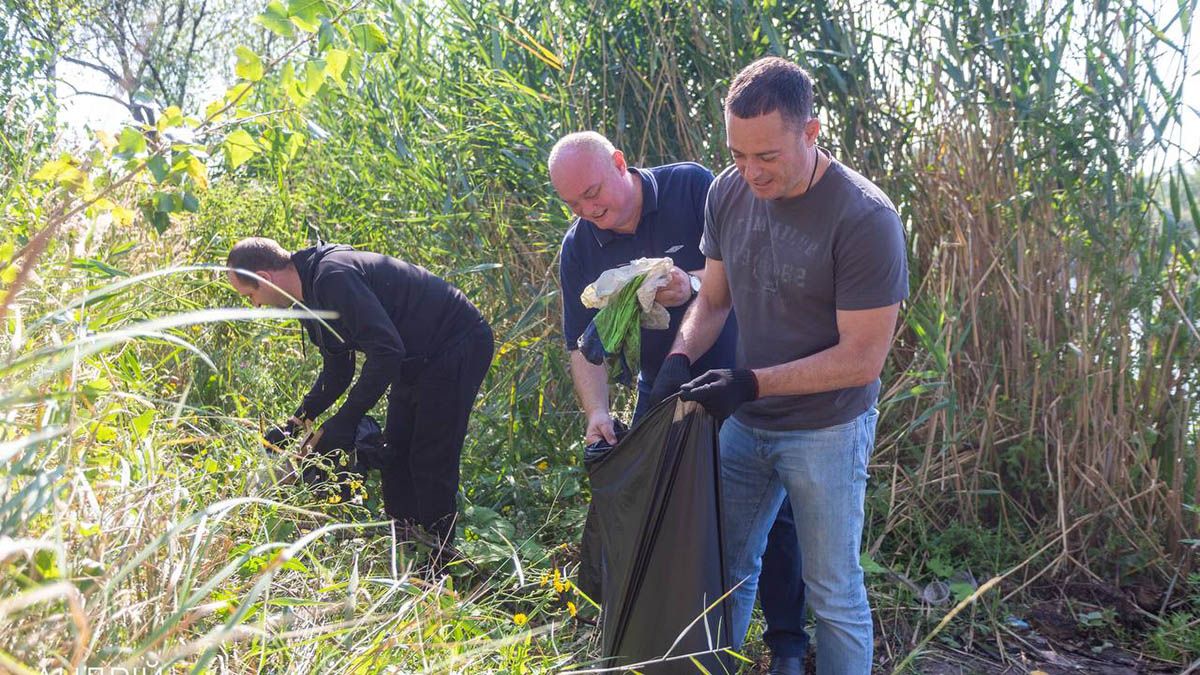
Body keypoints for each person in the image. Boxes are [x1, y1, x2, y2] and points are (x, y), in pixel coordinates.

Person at [648, 57, 908, 673]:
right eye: (738, 153)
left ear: (811, 132)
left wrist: (748, 381)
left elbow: (863, 360)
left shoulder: (865, 218)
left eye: (766, 156)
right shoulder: (726, 192)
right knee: (726, 572)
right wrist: (681, 357)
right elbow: (712, 299)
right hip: (747, 422)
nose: (750, 171)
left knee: (832, 590)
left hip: (827, 428)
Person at [550, 131, 810, 671]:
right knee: (665, 509)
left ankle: (787, 643)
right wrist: (597, 413)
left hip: (741, 376)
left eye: (594, 192)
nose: (588, 209)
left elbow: (744, 268)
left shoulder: (691, 187)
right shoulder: (579, 246)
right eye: (573, 203)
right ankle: (674, 642)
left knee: (773, 515)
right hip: (663, 388)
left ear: (621, 163)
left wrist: (687, 286)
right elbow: (582, 344)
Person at [226, 238, 493, 552]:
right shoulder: (308, 292)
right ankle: (406, 552)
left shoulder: (332, 276)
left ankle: (440, 564)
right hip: (415, 357)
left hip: (456, 343)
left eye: (251, 295)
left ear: (264, 278)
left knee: (429, 457)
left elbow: (387, 351)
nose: (256, 305)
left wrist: (346, 420)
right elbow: (338, 370)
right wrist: (298, 421)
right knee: (393, 453)